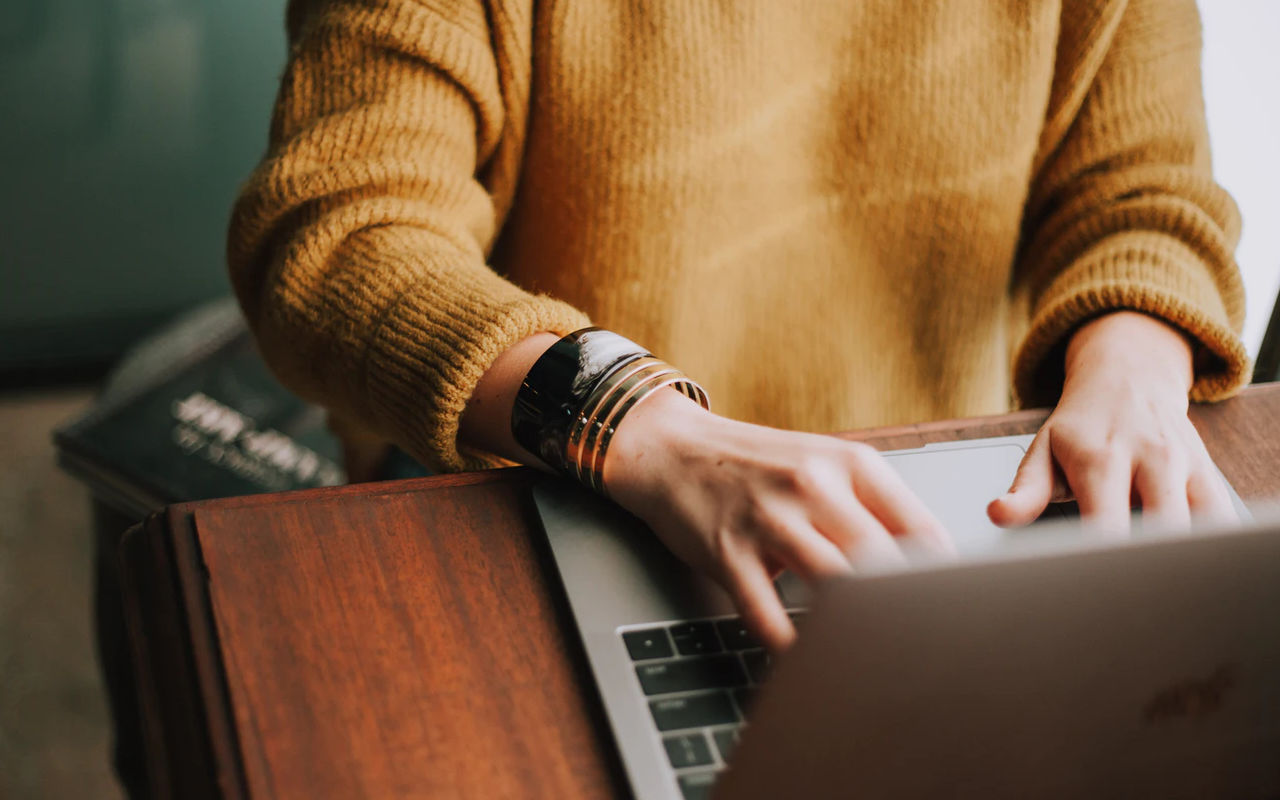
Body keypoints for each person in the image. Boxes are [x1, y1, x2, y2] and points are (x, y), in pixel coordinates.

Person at [228, 0, 1249, 653]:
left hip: (929, 519)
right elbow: (339, 234)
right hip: (546, 486)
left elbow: (1142, 191)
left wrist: (1132, 365)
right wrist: (643, 427)